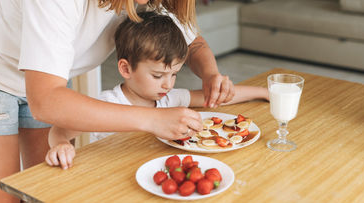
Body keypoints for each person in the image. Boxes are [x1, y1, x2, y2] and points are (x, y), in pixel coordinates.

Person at [0, 0, 238, 201]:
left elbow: (192, 43)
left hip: (50, 81)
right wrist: (152, 119)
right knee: (1, 198)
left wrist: (210, 74)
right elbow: (46, 101)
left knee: (48, 192)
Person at [45, 11, 269, 170]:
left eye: (174, 74)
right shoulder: (107, 103)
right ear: (125, 68)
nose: (168, 85)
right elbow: (60, 130)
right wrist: (62, 144)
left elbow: (215, 98)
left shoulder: (169, 99)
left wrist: (264, 93)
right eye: (157, 76)